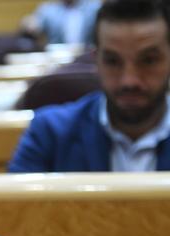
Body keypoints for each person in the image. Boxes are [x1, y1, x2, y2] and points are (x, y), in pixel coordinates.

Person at [9, 0, 170, 173]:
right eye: (112, 61)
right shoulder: (48, 134)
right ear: (96, 60)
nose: (129, 81)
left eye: (149, 61)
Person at [21, 0, 101, 46]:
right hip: (58, 58)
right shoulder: (49, 9)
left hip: (87, 57)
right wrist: (29, 24)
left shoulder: (94, 7)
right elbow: (35, 23)